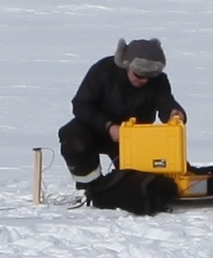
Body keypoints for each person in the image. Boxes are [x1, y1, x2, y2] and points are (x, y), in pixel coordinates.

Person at [58, 38, 186, 190]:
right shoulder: (103, 70)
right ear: (126, 65)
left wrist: (175, 112)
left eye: (149, 77)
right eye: (138, 75)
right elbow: (81, 105)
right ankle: (89, 187)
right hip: (96, 129)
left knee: (137, 184)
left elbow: (166, 102)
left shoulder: (159, 81)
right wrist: (108, 126)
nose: (144, 81)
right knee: (72, 137)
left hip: (133, 139)